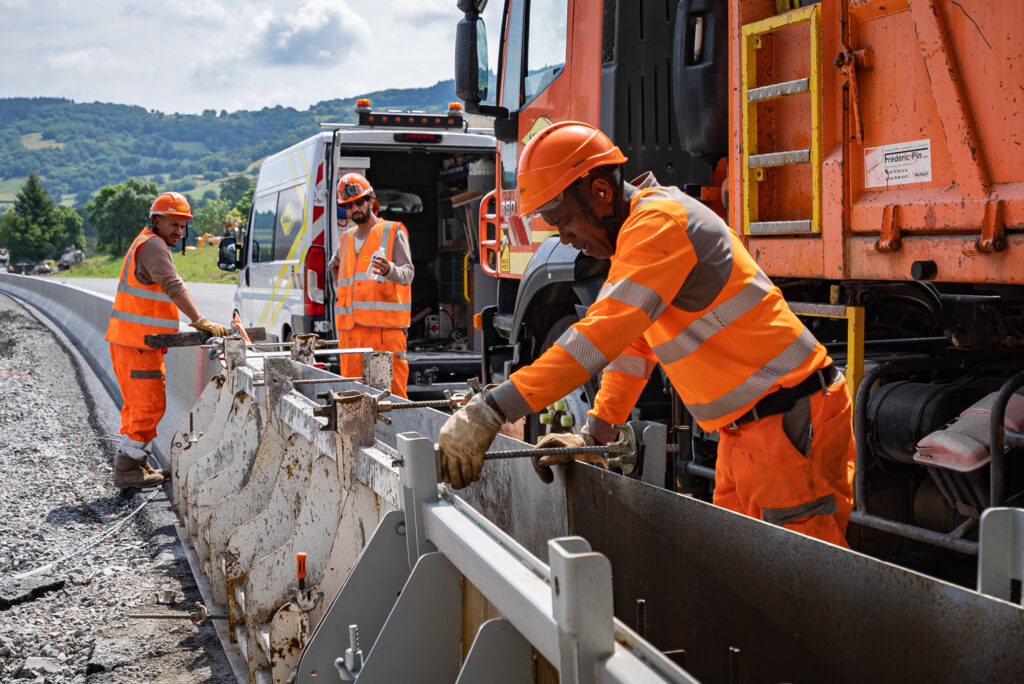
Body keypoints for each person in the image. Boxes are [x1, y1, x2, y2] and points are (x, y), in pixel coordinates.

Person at [438, 121, 856, 547]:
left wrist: (491, 409)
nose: (564, 239)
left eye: (563, 222)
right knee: (751, 567)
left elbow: (596, 339)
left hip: (788, 422)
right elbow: (633, 347)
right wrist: (595, 435)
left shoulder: (659, 224)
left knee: (801, 574)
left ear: (600, 192)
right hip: (753, 428)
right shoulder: (640, 235)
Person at [104, 192, 230, 489]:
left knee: (139, 407)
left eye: (183, 226)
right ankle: (128, 469)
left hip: (133, 343)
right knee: (148, 407)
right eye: (174, 224)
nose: (179, 231)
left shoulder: (146, 242)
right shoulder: (153, 246)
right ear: (157, 220)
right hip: (137, 345)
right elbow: (173, 285)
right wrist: (200, 320)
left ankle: (136, 461)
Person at [328, 173, 414, 398]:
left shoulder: (393, 232)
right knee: (351, 397)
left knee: (391, 398)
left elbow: (408, 274)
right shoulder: (346, 239)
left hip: (384, 333)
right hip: (350, 334)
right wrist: (341, 288)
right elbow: (333, 265)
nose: (354, 209)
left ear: (371, 200)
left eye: (359, 202)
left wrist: (389, 270)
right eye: (348, 206)